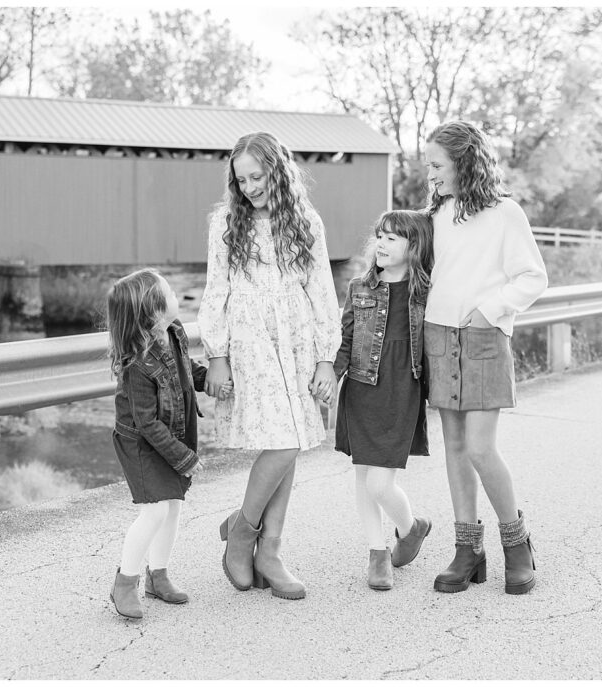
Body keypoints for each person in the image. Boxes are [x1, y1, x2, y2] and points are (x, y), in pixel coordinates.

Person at [197, 131, 341, 601]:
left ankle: (265, 547)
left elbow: (322, 291)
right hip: (251, 343)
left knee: (292, 438)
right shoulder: (225, 223)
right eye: (241, 179)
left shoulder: (305, 222)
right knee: (283, 440)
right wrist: (216, 355)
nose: (250, 187)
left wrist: (325, 357)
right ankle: (245, 535)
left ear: (277, 172)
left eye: (257, 176)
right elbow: (216, 289)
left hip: (297, 341)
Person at [423, 120, 548, 595]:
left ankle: (517, 544)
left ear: (464, 161)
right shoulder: (435, 214)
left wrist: (489, 311)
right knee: (454, 448)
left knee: (480, 448)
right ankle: (467, 550)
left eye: (437, 164)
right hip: (439, 336)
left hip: (482, 338)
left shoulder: (504, 213)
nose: (430, 174)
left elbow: (533, 278)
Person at [106, 268, 224, 619]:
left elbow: (185, 371)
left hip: (171, 433)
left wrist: (210, 381)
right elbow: (146, 423)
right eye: (170, 291)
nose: (177, 295)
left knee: (173, 506)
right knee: (155, 509)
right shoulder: (137, 365)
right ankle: (124, 583)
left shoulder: (174, 333)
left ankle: (158, 576)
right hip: (142, 443)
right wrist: (183, 457)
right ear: (153, 310)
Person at [333, 210, 434, 591]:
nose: (381, 243)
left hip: (401, 390)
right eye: (380, 235)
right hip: (361, 387)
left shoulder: (425, 291)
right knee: (364, 477)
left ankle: (411, 528)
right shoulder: (360, 286)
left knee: (380, 483)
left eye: (393, 238)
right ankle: (377, 554)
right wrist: (331, 374)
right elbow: (346, 338)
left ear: (414, 247)